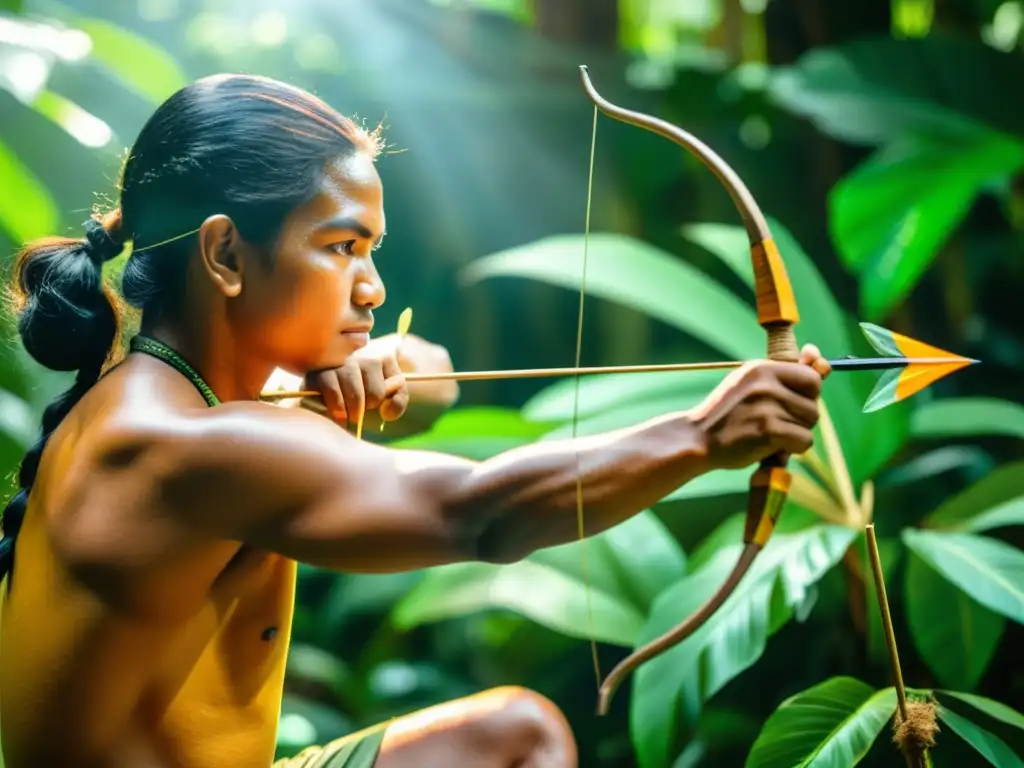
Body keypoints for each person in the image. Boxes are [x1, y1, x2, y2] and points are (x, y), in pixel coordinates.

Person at [0, 74, 830, 768]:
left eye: (373, 249)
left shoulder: (175, 392)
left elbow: (430, 372)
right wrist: (703, 435)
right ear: (224, 255)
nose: (371, 287)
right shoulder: (187, 447)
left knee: (515, 737)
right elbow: (474, 514)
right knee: (521, 741)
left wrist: (385, 365)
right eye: (341, 247)